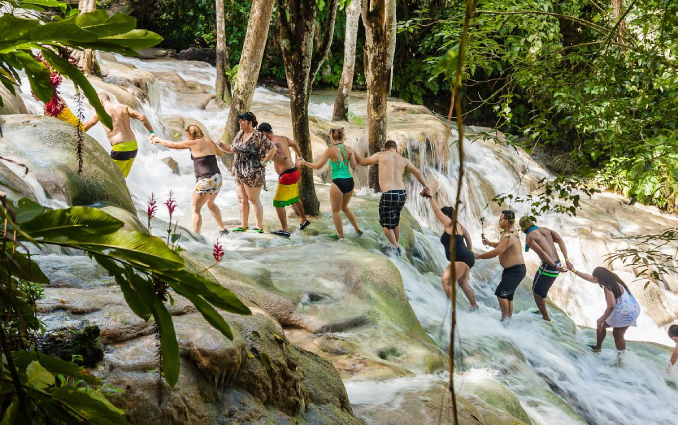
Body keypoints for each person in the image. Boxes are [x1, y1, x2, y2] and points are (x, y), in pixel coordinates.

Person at [151, 125, 229, 235]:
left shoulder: (192, 143)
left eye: (187, 135)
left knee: (195, 209)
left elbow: (172, 145)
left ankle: (196, 236)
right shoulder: (209, 142)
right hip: (217, 178)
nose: (186, 137)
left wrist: (158, 139)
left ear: (191, 135)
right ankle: (222, 229)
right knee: (210, 203)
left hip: (205, 180)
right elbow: (221, 153)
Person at [355, 140, 428, 255]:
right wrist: (425, 186)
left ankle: (394, 247)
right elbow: (418, 173)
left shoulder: (381, 155)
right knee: (395, 220)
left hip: (389, 194)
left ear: (385, 148)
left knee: (385, 224)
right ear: (396, 149)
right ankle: (396, 243)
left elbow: (363, 162)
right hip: (402, 194)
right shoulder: (403, 160)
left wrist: (352, 154)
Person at [297, 127, 362, 239]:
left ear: (332, 138)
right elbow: (354, 166)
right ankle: (357, 229)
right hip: (349, 182)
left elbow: (317, 166)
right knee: (345, 207)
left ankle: (340, 235)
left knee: (335, 210)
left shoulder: (330, 151)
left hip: (337, 183)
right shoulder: (349, 149)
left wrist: (304, 162)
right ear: (343, 137)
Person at [218, 112, 276, 233]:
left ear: (250, 122)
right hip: (238, 172)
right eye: (239, 120)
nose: (240, 122)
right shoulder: (240, 134)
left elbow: (273, 148)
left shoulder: (258, 135)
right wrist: (219, 144)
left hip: (253, 172)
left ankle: (259, 227)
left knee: (253, 200)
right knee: (241, 200)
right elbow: (231, 149)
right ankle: (243, 225)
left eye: (242, 120)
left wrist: (265, 162)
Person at [571, 267, 641, 365]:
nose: (593, 279)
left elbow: (611, 305)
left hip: (624, 312)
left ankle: (598, 347)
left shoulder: (608, 288)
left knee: (602, 325)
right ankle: (620, 360)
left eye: (595, 278)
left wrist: (602, 319)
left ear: (599, 278)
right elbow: (589, 278)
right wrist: (574, 271)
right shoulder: (615, 280)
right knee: (618, 335)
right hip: (633, 308)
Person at [424, 192, 478, 309]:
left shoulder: (449, 224)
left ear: (447, 215)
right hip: (467, 257)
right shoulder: (459, 226)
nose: (440, 219)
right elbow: (468, 236)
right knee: (462, 283)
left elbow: (437, 212)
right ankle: (474, 306)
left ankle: (454, 310)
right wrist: (470, 250)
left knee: (446, 281)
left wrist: (431, 198)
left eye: (444, 216)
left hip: (461, 259)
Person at [83, 92, 155, 178]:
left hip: (121, 148)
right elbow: (142, 117)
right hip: (133, 146)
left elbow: (85, 127)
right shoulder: (123, 107)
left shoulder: (101, 111)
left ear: (100, 101)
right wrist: (152, 132)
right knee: (121, 178)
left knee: (110, 178)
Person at [257, 122, 311, 237]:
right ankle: (303, 220)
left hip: (287, 176)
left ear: (264, 133)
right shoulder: (283, 138)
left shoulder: (274, 143)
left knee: (277, 203)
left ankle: (284, 229)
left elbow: (284, 157)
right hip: (294, 172)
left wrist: (267, 159)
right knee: (295, 198)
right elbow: (295, 144)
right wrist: (300, 157)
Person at [474, 210, 526, 321]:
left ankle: (505, 320)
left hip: (515, 270)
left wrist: (479, 256)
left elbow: (496, 252)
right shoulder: (510, 233)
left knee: (500, 294)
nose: (499, 222)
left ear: (506, 221)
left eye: (500, 220)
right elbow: (502, 245)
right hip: (512, 269)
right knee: (508, 296)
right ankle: (508, 320)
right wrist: (489, 243)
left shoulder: (508, 235)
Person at [519, 216, 571, 322]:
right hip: (555, 263)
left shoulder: (530, 237)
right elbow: (560, 241)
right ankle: (541, 310)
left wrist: (554, 266)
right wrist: (567, 260)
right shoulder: (546, 230)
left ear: (524, 228)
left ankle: (546, 318)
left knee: (537, 292)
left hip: (549, 266)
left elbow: (542, 252)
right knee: (538, 287)